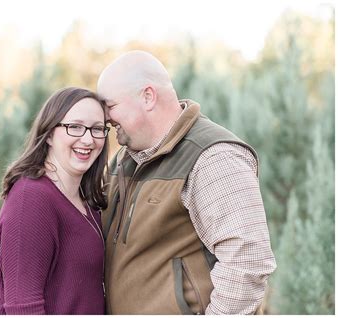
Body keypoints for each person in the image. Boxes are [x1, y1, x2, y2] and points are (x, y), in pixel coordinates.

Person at [96, 50, 277, 315]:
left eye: (110, 106)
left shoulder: (212, 157)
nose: (106, 118)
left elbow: (248, 261)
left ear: (148, 96)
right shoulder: (125, 159)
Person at [0, 87, 109, 315]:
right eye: (75, 127)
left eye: (98, 129)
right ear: (49, 134)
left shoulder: (86, 199)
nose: (88, 139)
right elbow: (23, 308)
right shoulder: (31, 198)